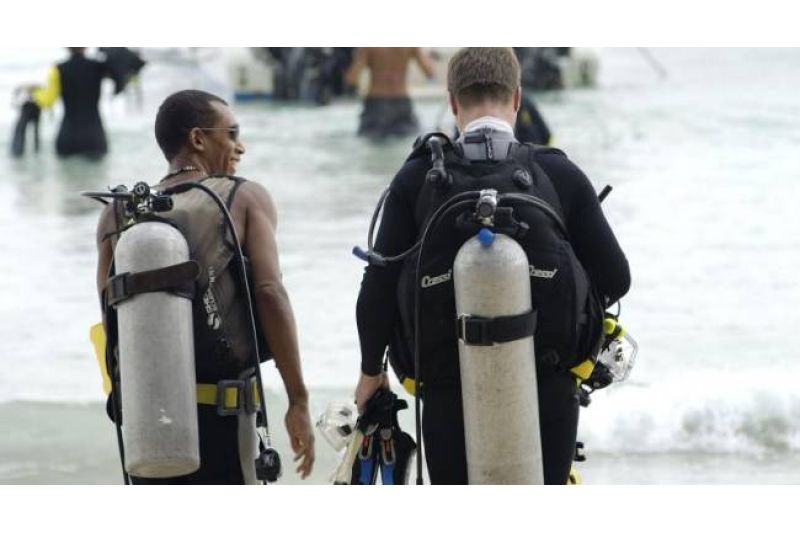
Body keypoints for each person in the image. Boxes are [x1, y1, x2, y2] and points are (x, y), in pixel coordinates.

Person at [353, 48, 630, 484]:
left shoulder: (416, 178)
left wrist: (371, 373)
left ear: (452, 102)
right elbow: (617, 277)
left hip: (446, 390)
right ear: (517, 97)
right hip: (548, 387)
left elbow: (378, 290)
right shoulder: (558, 174)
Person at [94, 89, 315, 483]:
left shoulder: (117, 213)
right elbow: (270, 293)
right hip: (224, 421)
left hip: (149, 424)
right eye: (231, 133)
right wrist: (298, 399)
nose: (240, 146)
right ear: (198, 139)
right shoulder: (243, 197)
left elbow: (109, 319)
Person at [345, 47, 435, 139]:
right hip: (402, 102)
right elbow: (429, 72)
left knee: (371, 140)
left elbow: (351, 79)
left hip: (376, 103)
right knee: (407, 140)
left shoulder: (369, 47)